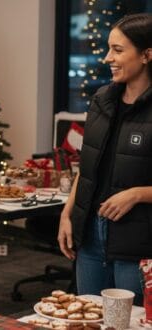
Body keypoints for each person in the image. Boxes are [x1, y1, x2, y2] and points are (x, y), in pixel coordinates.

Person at [58, 13, 152, 305]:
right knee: (88, 318)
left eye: (118, 50)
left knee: (132, 323)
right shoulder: (102, 100)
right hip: (90, 240)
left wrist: (137, 194)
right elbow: (87, 166)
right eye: (109, 48)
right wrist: (67, 213)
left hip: (137, 244)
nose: (107, 58)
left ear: (147, 54)